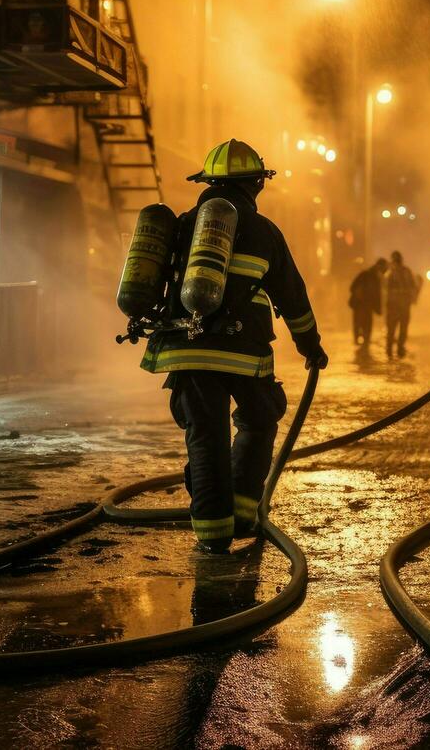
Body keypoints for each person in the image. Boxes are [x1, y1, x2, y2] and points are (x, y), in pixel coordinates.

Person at [140, 139, 328, 554]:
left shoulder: (184, 224)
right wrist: (310, 346)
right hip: (243, 351)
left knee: (205, 437)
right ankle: (244, 512)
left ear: (208, 183)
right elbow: (292, 297)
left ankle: (212, 536)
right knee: (259, 421)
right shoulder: (264, 232)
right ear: (256, 185)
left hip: (183, 347)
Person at [384, 250, 420, 359]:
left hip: (395, 305)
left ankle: (391, 350)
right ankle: (398, 349)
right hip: (402, 305)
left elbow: (385, 289)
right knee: (401, 328)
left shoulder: (391, 272)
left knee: (392, 328)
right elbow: (414, 286)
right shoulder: (406, 271)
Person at [348, 258, 387, 348]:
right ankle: (363, 346)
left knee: (359, 324)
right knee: (365, 325)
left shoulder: (367, 274)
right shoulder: (371, 276)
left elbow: (352, 287)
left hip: (360, 305)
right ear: (379, 267)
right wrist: (378, 308)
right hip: (363, 305)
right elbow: (376, 295)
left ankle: (361, 345)